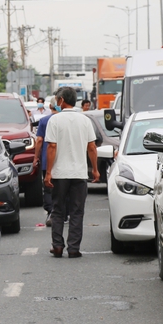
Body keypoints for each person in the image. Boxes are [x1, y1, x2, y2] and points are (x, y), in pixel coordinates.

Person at [44, 87, 99, 258]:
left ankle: (58, 246)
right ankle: (74, 248)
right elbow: (92, 147)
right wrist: (95, 170)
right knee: (77, 211)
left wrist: (48, 172)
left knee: (58, 210)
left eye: (56, 100)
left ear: (61, 100)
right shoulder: (84, 120)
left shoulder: (55, 120)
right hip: (79, 174)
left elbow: (52, 147)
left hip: (60, 174)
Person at [32, 97, 60, 226]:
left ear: (50, 106)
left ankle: (51, 211)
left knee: (48, 188)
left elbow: (39, 140)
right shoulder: (64, 121)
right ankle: (63, 213)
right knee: (63, 187)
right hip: (62, 159)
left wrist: (36, 157)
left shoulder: (43, 121)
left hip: (46, 160)